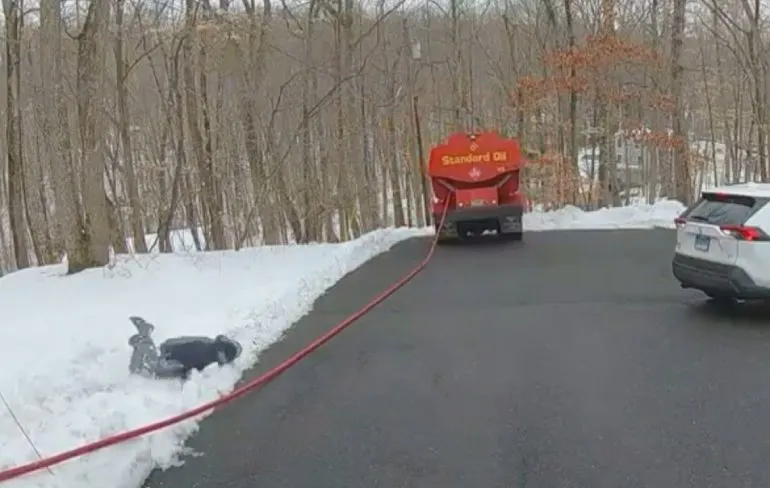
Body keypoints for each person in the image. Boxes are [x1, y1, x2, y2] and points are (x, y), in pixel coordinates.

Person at [127, 316, 242, 380]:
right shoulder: (207, 354)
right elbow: (187, 345)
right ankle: (144, 339)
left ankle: (145, 333)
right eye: (228, 357)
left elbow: (186, 340)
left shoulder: (209, 344)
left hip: (173, 357)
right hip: (172, 359)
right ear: (223, 352)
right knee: (151, 368)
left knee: (142, 368)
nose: (226, 360)